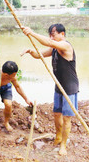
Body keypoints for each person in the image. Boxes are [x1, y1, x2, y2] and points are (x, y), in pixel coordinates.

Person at [20, 24, 79, 156]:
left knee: (67, 118)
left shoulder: (65, 46)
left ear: (62, 34)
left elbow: (49, 42)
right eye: (50, 34)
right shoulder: (54, 49)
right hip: (58, 86)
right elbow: (38, 55)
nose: (51, 37)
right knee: (56, 114)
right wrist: (30, 51)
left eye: (53, 34)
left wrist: (32, 33)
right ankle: (58, 137)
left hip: (69, 88)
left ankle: (63, 144)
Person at [0, 61, 33, 137]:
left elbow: (17, 87)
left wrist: (26, 99)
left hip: (6, 88)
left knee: (8, 104)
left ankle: (6, 122)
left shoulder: (12, 77)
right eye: (14, 75)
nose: (15, 76)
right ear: (6, 75)